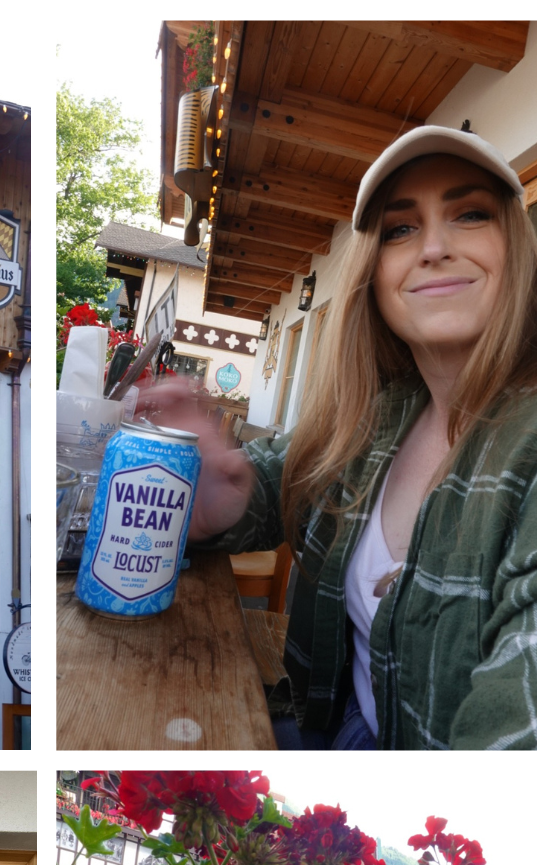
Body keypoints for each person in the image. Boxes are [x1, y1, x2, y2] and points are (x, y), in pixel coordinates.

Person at [146, 125, 537, 750]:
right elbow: (277, 483)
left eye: (470, 215)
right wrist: (220, 493)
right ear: (373, 277)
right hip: (322, 723)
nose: (433, 247)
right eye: (400, 229)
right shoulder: (377, 416)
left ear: (517, 251)